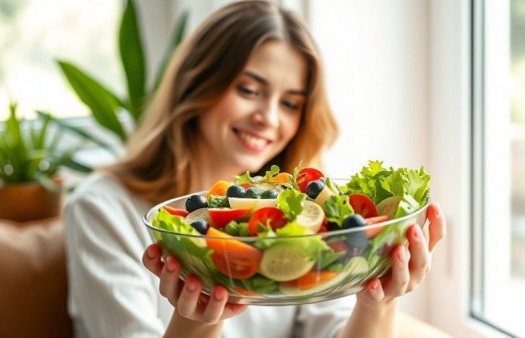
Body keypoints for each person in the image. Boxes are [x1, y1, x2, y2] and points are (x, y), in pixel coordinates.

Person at [64, 1, 446, 337]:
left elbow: (333, 330)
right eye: (248, 90)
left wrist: (377, 297)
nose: (268, 118)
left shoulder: (302, 213)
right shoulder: (103, 209)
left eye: (291, 104)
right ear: (197, 84)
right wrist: (197, 320)